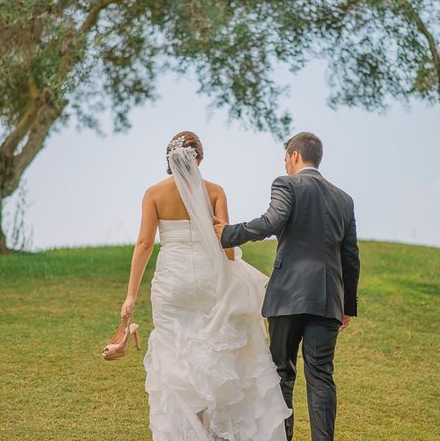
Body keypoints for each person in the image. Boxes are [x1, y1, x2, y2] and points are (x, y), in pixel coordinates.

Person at [120, 130, 291, 440]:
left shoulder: (154, 194)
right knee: (213, 353)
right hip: (211, 283)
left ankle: (186, 430)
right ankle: (213, 430)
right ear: (199, 159)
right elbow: (226, 246)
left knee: (176, 354)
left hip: (172, 285)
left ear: (169, 160)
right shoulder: (214, 192)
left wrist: (131, 295)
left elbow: (145, 244)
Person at [214, 131, 360, 441]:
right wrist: (347, 306)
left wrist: (227, 234)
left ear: (294, 156)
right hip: (326, 300)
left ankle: (283, 436)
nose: (286, 165)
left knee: (282, 371)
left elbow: (271, 222)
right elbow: (351, 258)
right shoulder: (344, 199)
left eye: (286, 160)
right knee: (321, 376)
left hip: (287, 296)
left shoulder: (286, 183)